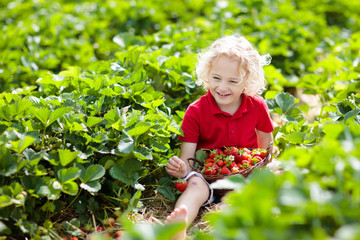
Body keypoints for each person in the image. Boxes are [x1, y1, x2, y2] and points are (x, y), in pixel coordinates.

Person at [165, 34, 274, 239]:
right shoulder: (195, 111)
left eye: (232, 81)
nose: (222, 87)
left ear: (247, 82)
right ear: (207, 75)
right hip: (207, 178)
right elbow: (187, 160)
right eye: (216, 78)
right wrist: (180, 169)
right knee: (195, 187)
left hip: (244, 176)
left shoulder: (257, 106)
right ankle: (180, 223)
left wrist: (255, 172)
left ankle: (230, 211)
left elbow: (264, 150)